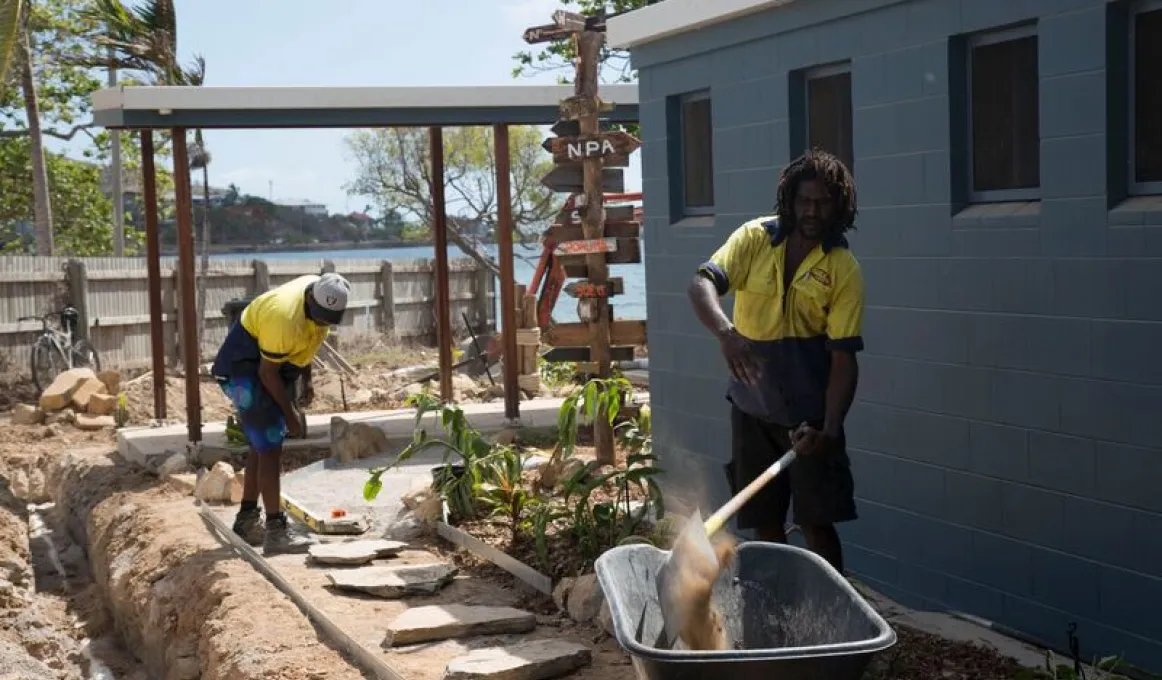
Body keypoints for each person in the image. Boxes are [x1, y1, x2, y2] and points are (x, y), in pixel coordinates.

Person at [687, 148, 864, 574]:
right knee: (765, 521)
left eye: (822, 202)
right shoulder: (753, 239)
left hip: (810, 421)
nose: (812, 210)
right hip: (752, 411)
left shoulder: (842, 268)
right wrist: (727, 335)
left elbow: (843, 358)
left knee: (815, 522)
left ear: (837, 206)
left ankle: (835, 617)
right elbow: (701, 283)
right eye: (804, 200)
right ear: (789, 200)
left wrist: (831, 429)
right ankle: (778, 608)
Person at [211, 272, 351, 554]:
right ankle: (276, 532)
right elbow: (266, 372)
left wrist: (305, 383)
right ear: (310, 299)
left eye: (329, 318)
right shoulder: (284, 318)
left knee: (260, 445)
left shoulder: (319, 305)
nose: (324, 321)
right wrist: (290, 415)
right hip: (243, 369)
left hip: (272, 367)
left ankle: (246, 520)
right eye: (320, 315)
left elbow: (309, 339)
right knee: (271, 445)